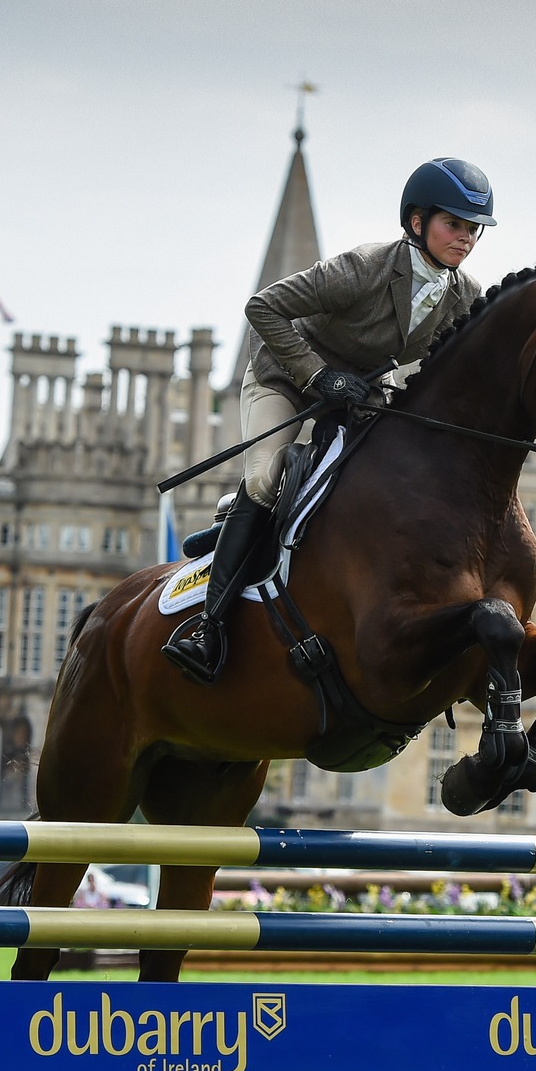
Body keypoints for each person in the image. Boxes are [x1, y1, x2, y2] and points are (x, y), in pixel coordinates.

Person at [161, 158, 496, 685]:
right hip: (284, 378)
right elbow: (263, 307)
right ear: (416, 222)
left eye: (473, 228)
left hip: (360, 394)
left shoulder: (464, 295)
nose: (466, 238)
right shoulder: (365, 267)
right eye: (454, 224)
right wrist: (318, 376)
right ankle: (210, 628)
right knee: (266, 479)